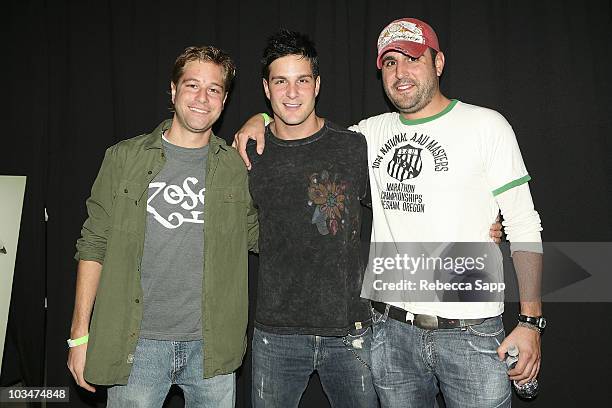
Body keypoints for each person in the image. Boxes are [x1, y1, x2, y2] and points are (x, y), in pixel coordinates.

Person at [234, 18, 543, 408]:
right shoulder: (368, 134)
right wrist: (258, 119)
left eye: (413, 59)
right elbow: (303, 134)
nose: (401, 72)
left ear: (439, 62)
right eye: (391, 63)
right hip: (390, 332)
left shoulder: (486, 125)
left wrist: (531, 322)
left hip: (470, 333)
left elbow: (525, 223)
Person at [67, 45, 258, 407]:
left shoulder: (235, 167)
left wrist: (263, 119)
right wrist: (79, 336)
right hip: (136, 346)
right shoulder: (124, 158)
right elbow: (93, 244)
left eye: (214, 89)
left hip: (213, 347)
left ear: (225, 98)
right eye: (192, 86)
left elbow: (260, 236)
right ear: (173, 91)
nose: (202, 98)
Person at [246, 29, 378, 408]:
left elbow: (400, 208)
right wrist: (254, 121)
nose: (292, 93)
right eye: (280, 81)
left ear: (317, 85)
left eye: (302, 80)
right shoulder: (250, 152)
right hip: (276, 334)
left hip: (351, 331)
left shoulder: (353, 147)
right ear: (266, 88)